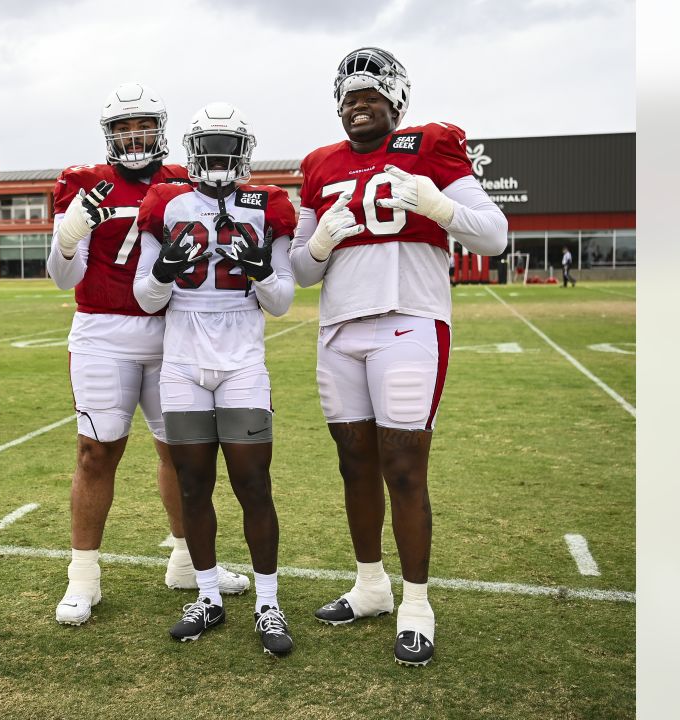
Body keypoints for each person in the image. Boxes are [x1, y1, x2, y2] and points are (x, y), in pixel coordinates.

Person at [288, 47, 508, 667]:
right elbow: (301, 271)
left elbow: (494, 235)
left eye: (372, 95)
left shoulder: (431, 147)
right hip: (340, 330)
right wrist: (323, 240)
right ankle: (370, 587)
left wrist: (438, 206)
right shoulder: (318, 164)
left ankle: (417, 604)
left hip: (410, 322)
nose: (360, 105)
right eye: (350, 97)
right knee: (354, 464)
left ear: (396, 100)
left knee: (404, 467)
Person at [47, 83, 250, 626]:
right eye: (122, 128)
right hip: (102, 331)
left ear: (161, 132)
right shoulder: (85, 184)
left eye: (142, 126)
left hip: (171, 332)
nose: (133, 136)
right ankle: (82, 576)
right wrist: (69, 235)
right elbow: (62, 277)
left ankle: (187, 561)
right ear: (108, 135)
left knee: (181, 453)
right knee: (96, 452)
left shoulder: (186, 181)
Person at [133, 102, 297, 656]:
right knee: (192, 484)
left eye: (229, 148)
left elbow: (281, 302)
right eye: (210, 147)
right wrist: (164, 269)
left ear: (244, 152)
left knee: (254, 484)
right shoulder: (165, 201)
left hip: (243, 360)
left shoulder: (268, 204)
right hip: (182, 359)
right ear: (192, 151)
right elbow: (146, 296)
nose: (219, 159)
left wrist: (261, 269)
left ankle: (268, 604)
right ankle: (207, 595)